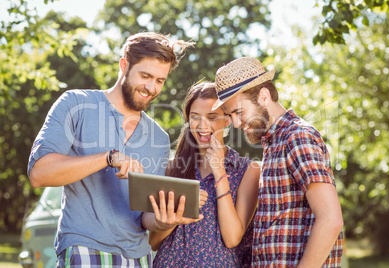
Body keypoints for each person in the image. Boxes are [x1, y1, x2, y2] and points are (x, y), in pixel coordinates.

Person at [27, 32, 194, 267]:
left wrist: (164, 221)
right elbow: (39, 174)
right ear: (124, 65)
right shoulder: (75, 104)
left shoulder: (159, 137)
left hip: (138, 257)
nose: (151, 87)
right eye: (145, 76)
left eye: (160, 80)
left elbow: (144, 216)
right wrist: (109, 157)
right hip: (85, 248)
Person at [212, 57, 344, 267]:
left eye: (239, 112)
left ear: (264, 96)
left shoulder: (297, 137)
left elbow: (330, 220)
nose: (236, 123)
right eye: (230, 115)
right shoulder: (274, 143)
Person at [141, 82, 261, 267]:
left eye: (212, 117)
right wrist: (180, 211)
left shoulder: (247, 170)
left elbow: (232, 239)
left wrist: (219, 170)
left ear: (227, 120)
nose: (202, 125)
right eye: (195, 117)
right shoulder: (173, 168)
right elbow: (154, 242)